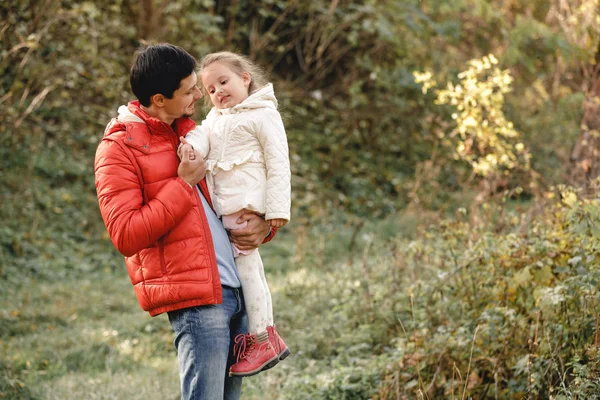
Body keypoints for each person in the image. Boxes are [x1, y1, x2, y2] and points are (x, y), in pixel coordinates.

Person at [94, 43, 276, 400]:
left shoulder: (197, 131)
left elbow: (238, 191)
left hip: (238, 286)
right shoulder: (119, 147)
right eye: (190, 90)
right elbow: (126, 234)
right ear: (160, 99)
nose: (199, 94)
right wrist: (183, 184)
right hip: (197, 300)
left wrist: (263, 227)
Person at [180, 51, 291, 378]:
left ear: (245, 78)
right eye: (211, 89)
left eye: (223, 82)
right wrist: (192, 147)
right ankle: (263, 335)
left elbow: (279, 163)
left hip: (246, 203)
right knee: (247, 268)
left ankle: (262, 337)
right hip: (225, 208)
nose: (217, 93)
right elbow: (204, 134)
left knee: (248, 270)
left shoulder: (263, 114)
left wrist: (276, 211)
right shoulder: (216, 117)